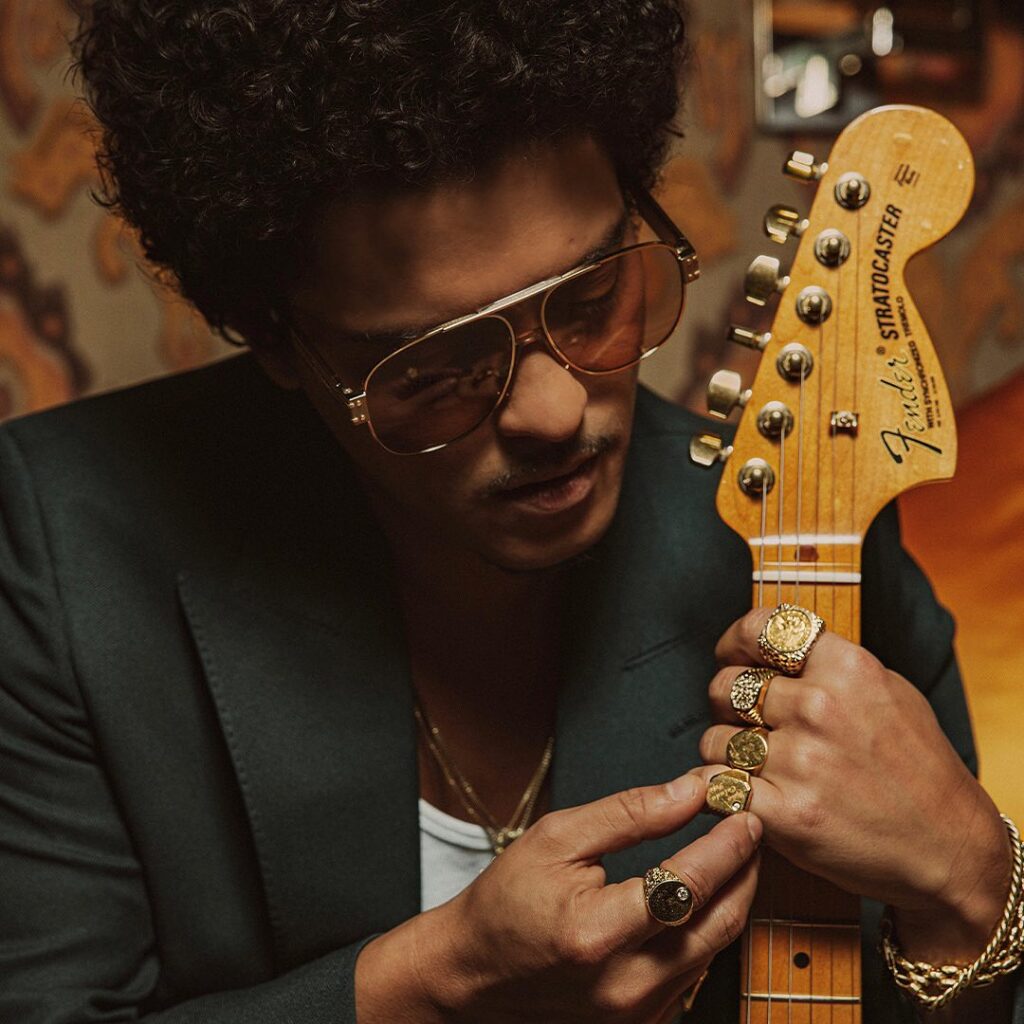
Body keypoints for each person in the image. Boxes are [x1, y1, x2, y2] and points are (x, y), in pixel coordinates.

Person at [0, 2, 1020, 1021]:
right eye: (439, 363)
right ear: (276, 339)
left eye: (589, 300)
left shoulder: (807, 527)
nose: (554, 409)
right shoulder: (63, 546)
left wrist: (974, 888)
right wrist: (436, 984)